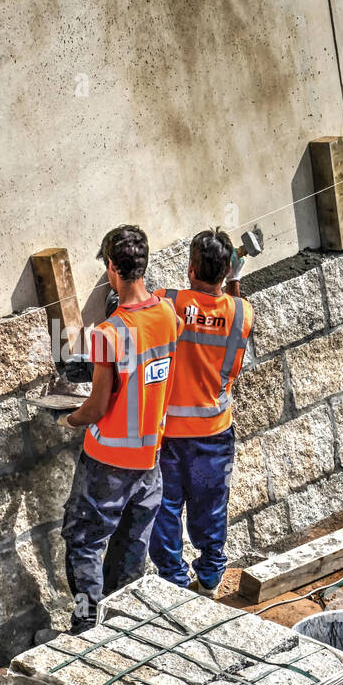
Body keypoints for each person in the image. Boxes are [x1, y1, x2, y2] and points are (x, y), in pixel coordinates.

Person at [57, 225, 181, 633]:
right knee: (131, 547)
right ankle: (121, 627)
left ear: (112, 267)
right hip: (149, 462)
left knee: (84, 542)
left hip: (107, 462)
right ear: (143, 265)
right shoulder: (167, 315)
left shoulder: (109, 334)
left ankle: (86, 627)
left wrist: (67, 419)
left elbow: (96, 406)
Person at [149, 228, 253, 598]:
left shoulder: (167, 301)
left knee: (165, 510)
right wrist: (234, 282)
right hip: (213, 433)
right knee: (210, 509)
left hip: (168, 436)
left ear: (191, 268)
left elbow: (135, 307)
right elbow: (234, 339)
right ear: (226, 271)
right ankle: (209, 579)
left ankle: (174, 582)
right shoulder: (242, 311)